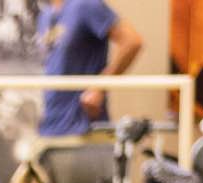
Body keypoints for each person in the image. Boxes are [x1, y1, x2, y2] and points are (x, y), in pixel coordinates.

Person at [36, 0, 142, 137]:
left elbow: (132, 42)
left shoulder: (86, 5)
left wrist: (99, 87)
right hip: (50, 128)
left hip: (82, 130)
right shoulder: (45, 15)